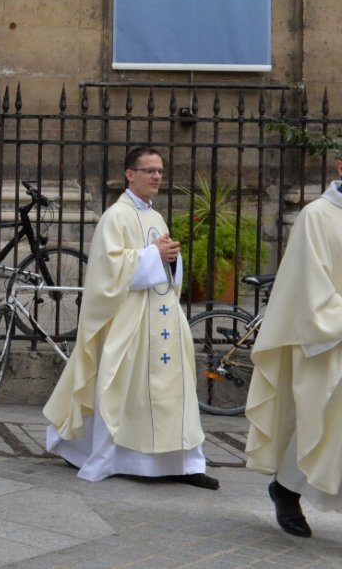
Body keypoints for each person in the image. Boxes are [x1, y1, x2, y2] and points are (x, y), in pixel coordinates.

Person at [43, 147, 218, 489]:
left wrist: (168, 260)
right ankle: (113, 457)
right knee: (122, 389)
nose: (156, 177)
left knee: (174, 390)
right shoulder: (116, 216)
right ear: (129, 174)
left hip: (163, 318)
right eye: (149, 170)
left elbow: (165, 267)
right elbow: (107, 271)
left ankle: (184, 462)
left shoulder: (156, 217)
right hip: (131, 321)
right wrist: (155, 256)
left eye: (160, 171)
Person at [245, 152, 342, 537]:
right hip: (325, 339)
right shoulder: (316, 216)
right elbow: (310, 287)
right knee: (319, 420)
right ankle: (285, 489)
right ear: (339, 166)